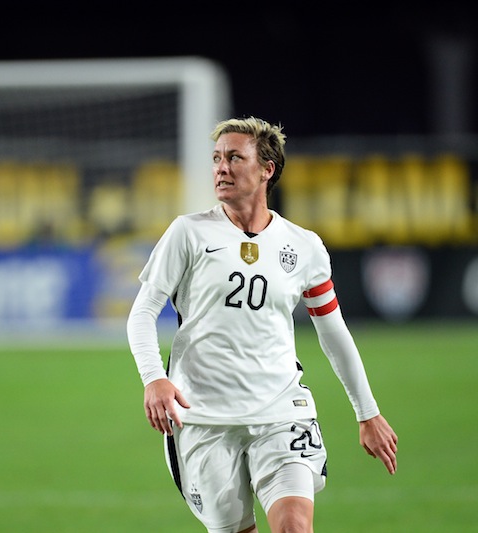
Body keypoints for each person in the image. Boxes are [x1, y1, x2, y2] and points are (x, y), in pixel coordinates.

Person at [126, 116, 398, 533]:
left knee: (294, 527)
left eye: (235, 157)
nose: (221, 168)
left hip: (281, 410)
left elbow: (332, 331)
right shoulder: (189, 233)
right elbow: (143, 312)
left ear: (267, 169)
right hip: (203, 418)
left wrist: (368, 412)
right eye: (217, 158)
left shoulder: (303, 246)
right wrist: (154, 378)